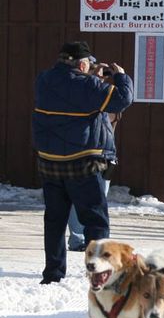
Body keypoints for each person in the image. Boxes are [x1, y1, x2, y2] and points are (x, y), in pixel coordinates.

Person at [32, 41, 133, 284]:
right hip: (83, 164)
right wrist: (120, 76)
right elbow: (123, 99)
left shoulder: (44, 80)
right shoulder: (88, 85)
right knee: (95, 222)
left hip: (50, 163)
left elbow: (70, 94)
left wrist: (93, 78)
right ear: (83, 63)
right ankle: (98, 274)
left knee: (55, 221)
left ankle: (53, 274)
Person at [67, 64, 122, 252]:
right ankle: (77, 238)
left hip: (105, 154)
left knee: (100, 200)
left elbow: (121, 102)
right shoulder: (79, 93)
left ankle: (92, 240)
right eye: (94, 71)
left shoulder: (105, 95)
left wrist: (117, 80)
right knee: (79, 199)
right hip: (83, 154)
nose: (100, 76)